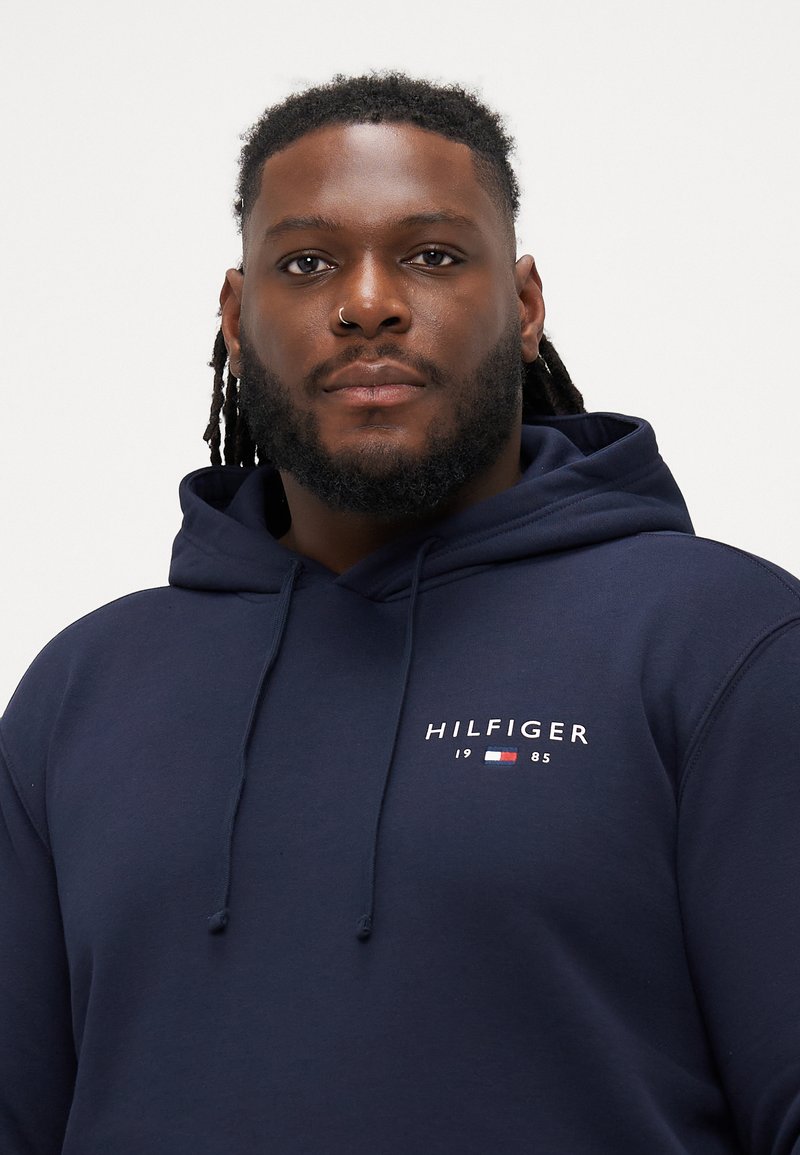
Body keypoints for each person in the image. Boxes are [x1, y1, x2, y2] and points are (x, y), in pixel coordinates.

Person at [1, 72, 799, 1155]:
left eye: (430, 255)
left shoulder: (725, 646)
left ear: (524, 305)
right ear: (234, 316)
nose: (368, 301)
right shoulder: (80, 690)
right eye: (306, 262)